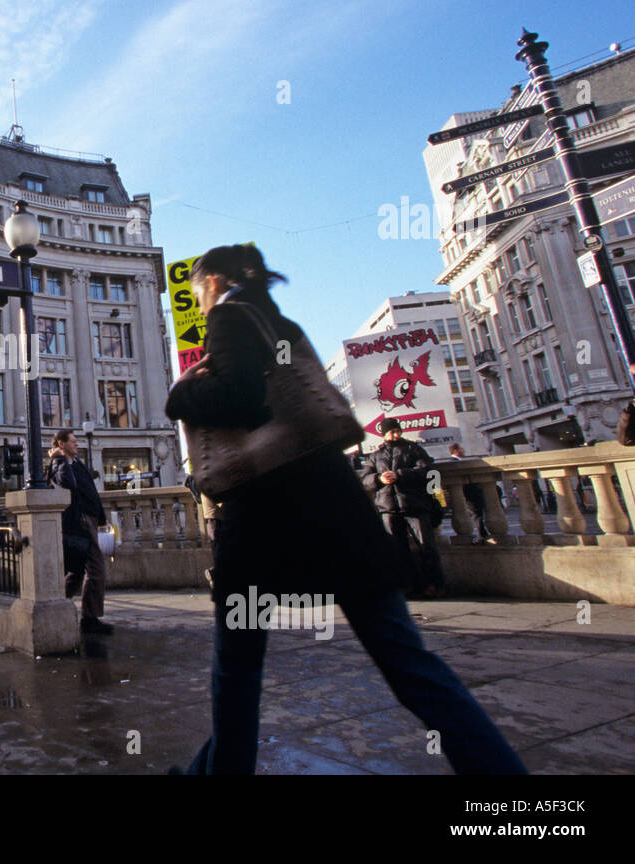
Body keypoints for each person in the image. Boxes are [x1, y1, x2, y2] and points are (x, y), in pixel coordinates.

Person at [164, 243, 525, 775]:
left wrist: (181, 398)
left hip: (265, 515)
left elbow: (243, 400)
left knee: (237, 673)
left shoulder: (229, 315)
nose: (198, 298)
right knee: (408, 662)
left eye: (198, 288)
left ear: (213, 280)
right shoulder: (278, 320)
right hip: (337, 510)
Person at [361, 419, 445, 598]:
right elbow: (365, 480)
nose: (395, 435)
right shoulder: (375, 455)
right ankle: (406, 585)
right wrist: (379, 479)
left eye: (397, 431)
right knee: (396, 550)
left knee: (426, 547)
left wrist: (399, 475)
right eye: (391, 432)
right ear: (384, 434)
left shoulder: (414, 449)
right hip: (388, 507)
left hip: (414, 504)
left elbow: (428, 470)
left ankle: (433, 585)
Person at [47, 430, 111, 634]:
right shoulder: (59, 465)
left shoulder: (77, 463)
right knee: (96, 568)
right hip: (79, 522)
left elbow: (90, 491)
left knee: (77, 571)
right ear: (61, 444)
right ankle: (89, 618)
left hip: (89, 520)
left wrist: (100, 517)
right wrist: (58, 458)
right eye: (73, 442)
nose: (77, 444)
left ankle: (54, 607)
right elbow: (68, 484)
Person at [447, 443, 490, 543]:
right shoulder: (453, 463)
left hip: (471, 492)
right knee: (476, 514)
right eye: (462, 449)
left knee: (478, 514)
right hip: (469, 493)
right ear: (456, 451)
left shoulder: (458, 461)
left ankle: (482, 533)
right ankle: (482, 535)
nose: (464, 451)